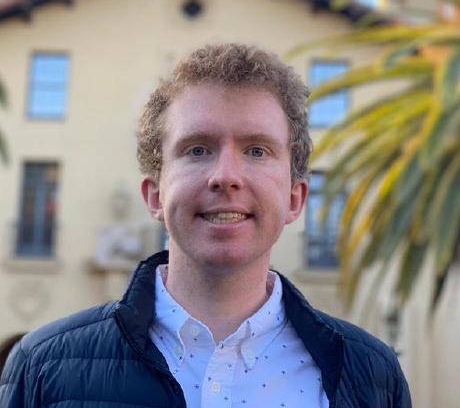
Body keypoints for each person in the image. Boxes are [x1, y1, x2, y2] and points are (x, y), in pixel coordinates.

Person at [0, 44, 411, 407]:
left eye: (257, 150)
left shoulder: (373, 376)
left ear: (294, 198)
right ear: (155, 195)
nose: (225, 176)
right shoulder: (41, 368)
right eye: (197, 149)